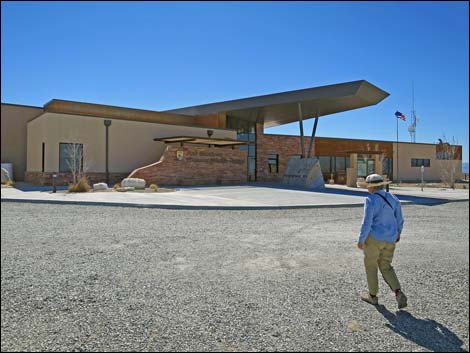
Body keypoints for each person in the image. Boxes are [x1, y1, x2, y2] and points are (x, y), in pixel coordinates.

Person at [357, 173, 407, 309]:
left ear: (371, 187)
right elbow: (400, 220)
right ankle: (398, 291)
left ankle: (372, 296)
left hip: (374, 238)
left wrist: (361, 239)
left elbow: (367, 222)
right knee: (386, 266)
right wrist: (398, 233)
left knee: (371, 266)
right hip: (390, 238)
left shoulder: (370, 199)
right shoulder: (393, 199)